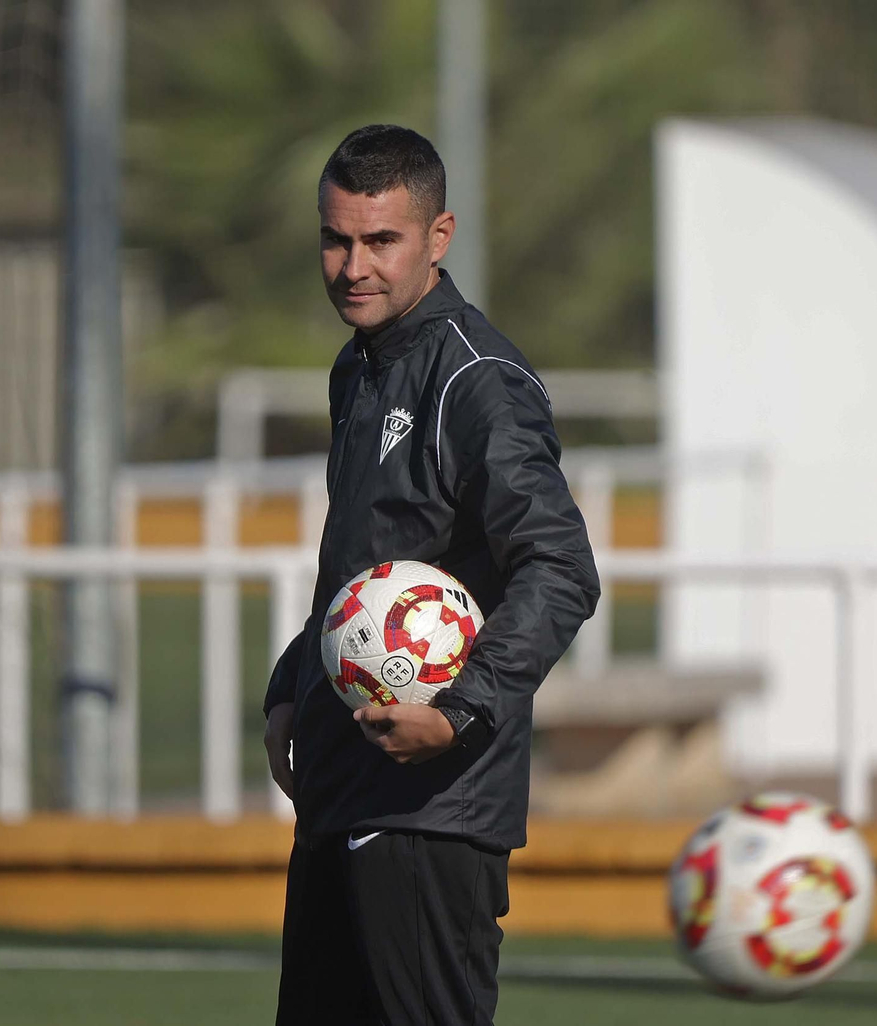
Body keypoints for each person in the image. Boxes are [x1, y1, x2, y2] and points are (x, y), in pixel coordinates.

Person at [262, 124, 601, 1025]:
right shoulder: (359, 370)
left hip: (432, 808)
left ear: (438, 237)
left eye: (382, 241)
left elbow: (562, 567)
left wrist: (457, 711)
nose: (352, 266)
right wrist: (292, 685)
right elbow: (366, 572)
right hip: (341, 791)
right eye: (336, 240)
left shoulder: (478, 382)